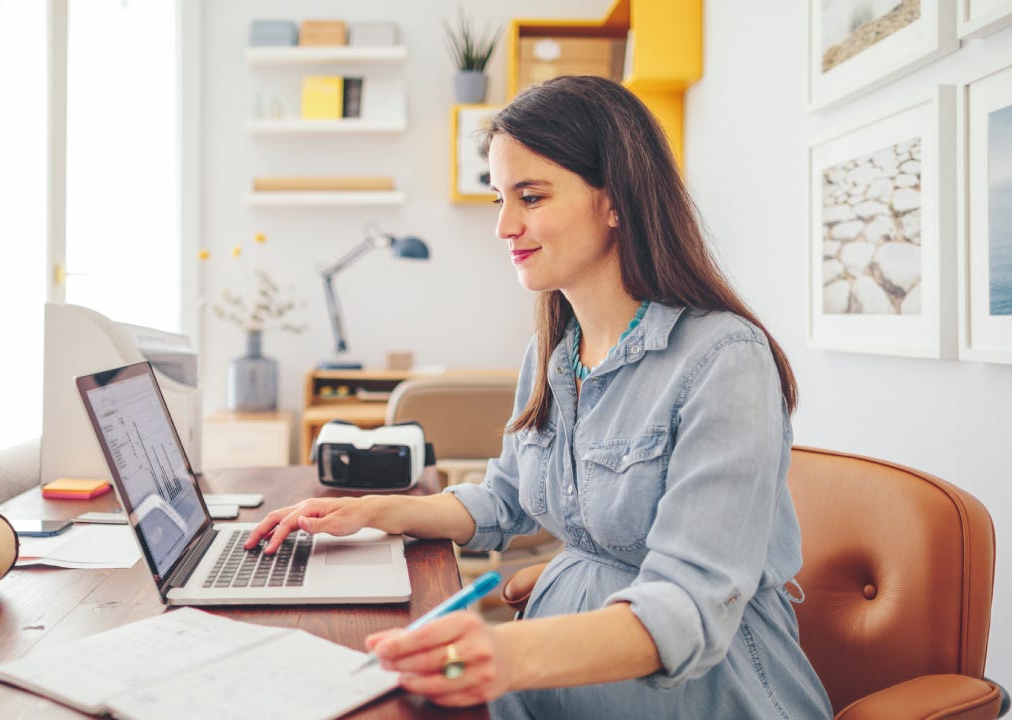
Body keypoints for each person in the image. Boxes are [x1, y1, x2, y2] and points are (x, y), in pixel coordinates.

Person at [245, 75, 833, 719]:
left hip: (700, 692)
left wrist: (507, 652)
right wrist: (375, 512)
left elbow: (690, 604)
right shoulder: (554, 353)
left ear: (617, 202)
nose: (503, 225)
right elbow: (505, 498)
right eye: (500, 197)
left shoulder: (723, 360)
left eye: (530, 196)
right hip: (557, 675)